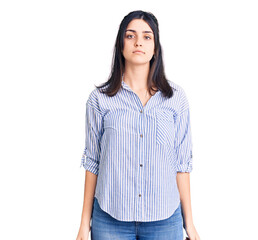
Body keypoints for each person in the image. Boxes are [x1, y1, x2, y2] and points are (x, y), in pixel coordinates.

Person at [76, 10, 200, 240]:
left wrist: (189, 223)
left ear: (155, 49)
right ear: (120, 45)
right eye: (130, 36)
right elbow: (93, 162)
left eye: (147, 36)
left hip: (164, 220)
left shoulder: (176, 99)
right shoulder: (99, 100)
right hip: (110, 219)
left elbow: (182, 164)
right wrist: (84, 223)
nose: (138, 42)